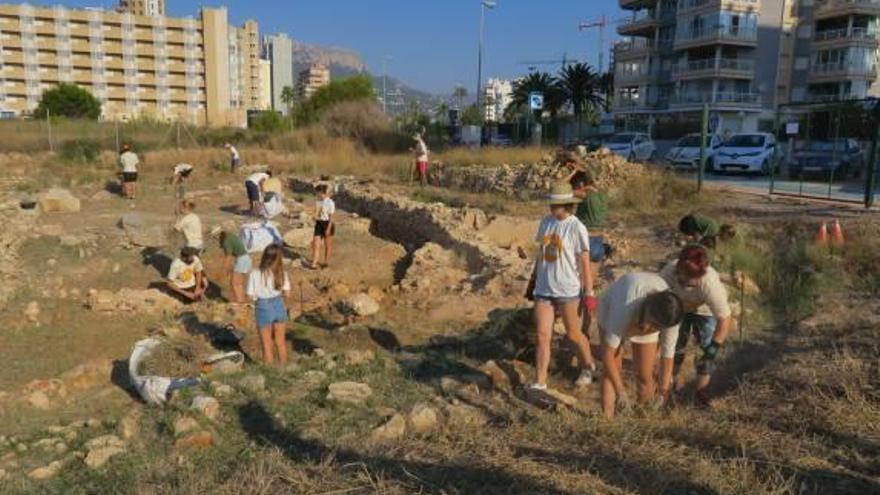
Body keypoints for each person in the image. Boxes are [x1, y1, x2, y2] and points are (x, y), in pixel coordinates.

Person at [526, 181, 598, 391]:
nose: (551, 208)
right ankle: (540, 381)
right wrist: (533, 281)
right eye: (551, 205)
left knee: (573, 334)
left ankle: (587, 366)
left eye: (555, 205)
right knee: (541, 335)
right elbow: (541, 254)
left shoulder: (577, 227)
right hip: (544, 289)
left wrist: (589, 292)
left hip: (568, 289)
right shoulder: (546, 222)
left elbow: (584, 262)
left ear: (567, 205)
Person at [598, 273, 684, 419]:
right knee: (613, 368)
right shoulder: (625, 306)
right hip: (613, 307)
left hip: (647, 312)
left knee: (644, 374)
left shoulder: (671, 317)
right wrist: (621, 393)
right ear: (649, 311)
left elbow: (667, 358)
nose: (648, 328)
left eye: (657, 327)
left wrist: (663, 393)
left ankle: (643, 419)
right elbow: (607, 355)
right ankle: (607, 420)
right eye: (652, 323)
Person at [660, 245, 732, 408]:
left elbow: (724, 319)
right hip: (678, 307)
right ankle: (670, 386)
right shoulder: (668, 272)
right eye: (681, 281)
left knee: (706, 351)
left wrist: (713, 349)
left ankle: (700, 394)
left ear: (700, 276)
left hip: (704, 310)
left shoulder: (710, 284)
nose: (685, 286)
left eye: (690, 284)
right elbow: (656, 297)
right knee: (674, 346)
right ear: (677, 270)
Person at [246, 244, 291, 365]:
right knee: (280, 342)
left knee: (266, 345)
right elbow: (287, 294)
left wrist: (257, 299)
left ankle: (269, 372)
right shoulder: (282, 273)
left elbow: (250, 295)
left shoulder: (254, 273)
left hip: (263, 306)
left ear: (264, 256)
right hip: (278, 304)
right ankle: (284, 368)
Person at [212, 226, 250, 304]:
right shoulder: (232, 236)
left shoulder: (226, 241)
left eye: (216, 236)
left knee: (234, 283)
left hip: (241, 260)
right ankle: (242, 301)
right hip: (246, 258)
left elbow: (228, 257)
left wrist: (224, 269)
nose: (216, 238)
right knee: (239, 283)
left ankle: (239, 302)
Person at [307, 184, 335, 270]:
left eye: (317, 193)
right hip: (319, 223)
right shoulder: (318, 201)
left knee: (327, 245)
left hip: (327, 224)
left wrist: (328, 228)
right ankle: (314, 264)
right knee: (316, 244)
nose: (317, 195)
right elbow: (317, 213)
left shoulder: (330, 202)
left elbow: (331, 218)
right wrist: (314, 217)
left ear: (322, 192)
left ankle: (326, 263)